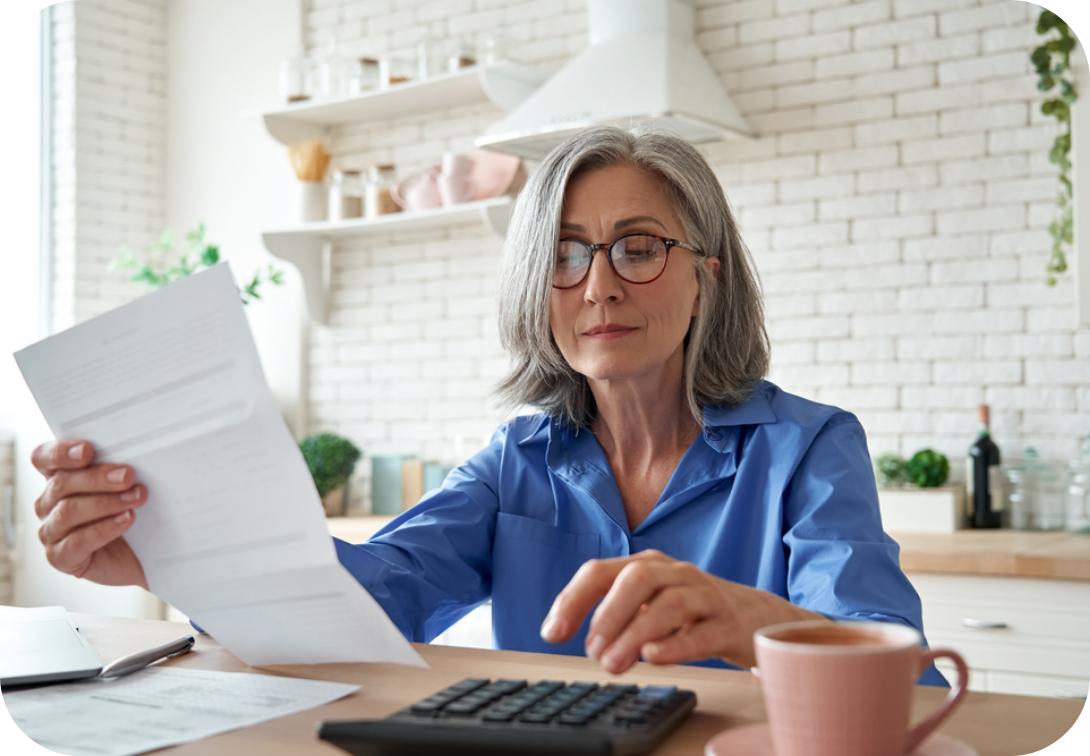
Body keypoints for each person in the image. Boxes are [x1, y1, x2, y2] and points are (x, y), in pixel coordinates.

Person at [31, 127, 947, 685]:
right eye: (564, 254)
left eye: (637, 247)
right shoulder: (517, 462)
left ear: (705, 279)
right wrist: (168, 553)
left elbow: (896, 664)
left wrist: (751, 621)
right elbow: (368, 601)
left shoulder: (808, 449)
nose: (597, 286)